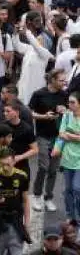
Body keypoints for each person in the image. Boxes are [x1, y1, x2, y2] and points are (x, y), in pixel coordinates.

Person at [28, 69, 68, 212]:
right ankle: (37, 195)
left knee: (53, 169)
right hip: (42, 135)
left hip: (59, 136)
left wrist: (66, 110)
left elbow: (73, 112)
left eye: (65, 80)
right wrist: (44, 116)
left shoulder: (64, 94)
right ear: (52, 80)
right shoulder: (39, 94)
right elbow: (29, 113)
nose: (64, 83)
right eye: (61, 80)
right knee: (43, 166)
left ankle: (48, 197)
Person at [55, 91, 80, 221]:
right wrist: (76, 136)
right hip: (67, 158)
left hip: (79, 161)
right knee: (68, 190)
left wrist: (70, 135)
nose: (70, 105)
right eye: (69, 102)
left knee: (77, 189)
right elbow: (61, 134)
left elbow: (66, 135)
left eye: (73, 102)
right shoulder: (67, 116)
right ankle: (70, 215)